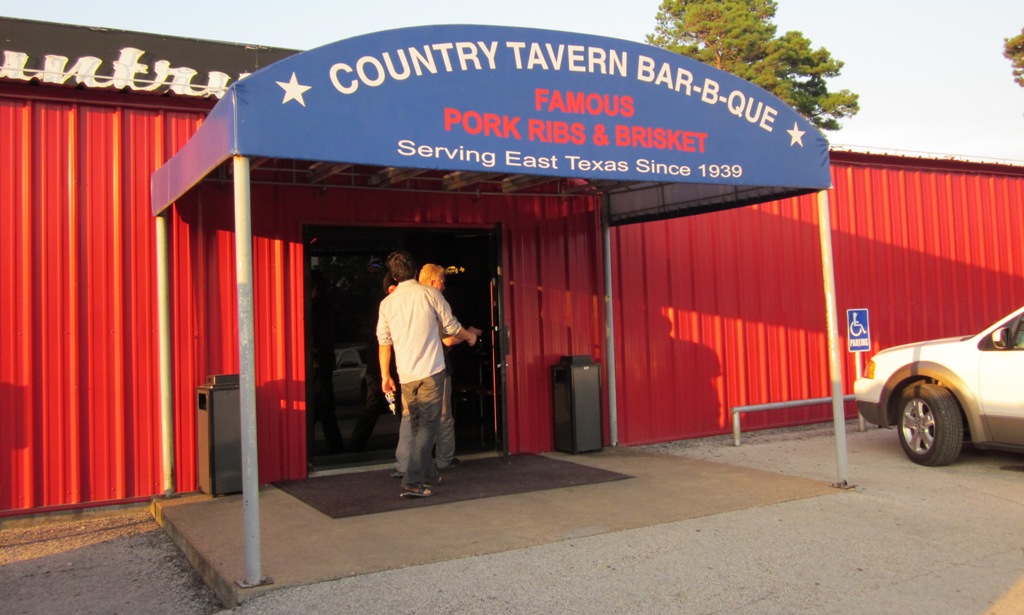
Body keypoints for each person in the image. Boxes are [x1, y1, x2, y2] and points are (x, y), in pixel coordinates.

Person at [376, 252, 477, 498]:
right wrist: (470, 337)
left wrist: (385, 375)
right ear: (414, 270)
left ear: (394, 276)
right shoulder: (430, 294)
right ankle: (413, 481)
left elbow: (384, 341)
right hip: (431, 371)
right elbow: (451, 327)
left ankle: (430, 475)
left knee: (416, 426)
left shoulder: (387, 303)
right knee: (429, 427)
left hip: (405, 374)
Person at [310, 270, 345, 454]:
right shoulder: (326, 306)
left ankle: (332, 447)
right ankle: (336, 447)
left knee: (321, 408)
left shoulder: (314, 308)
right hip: (323, 362)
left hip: (317, 362)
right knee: (325, 409)